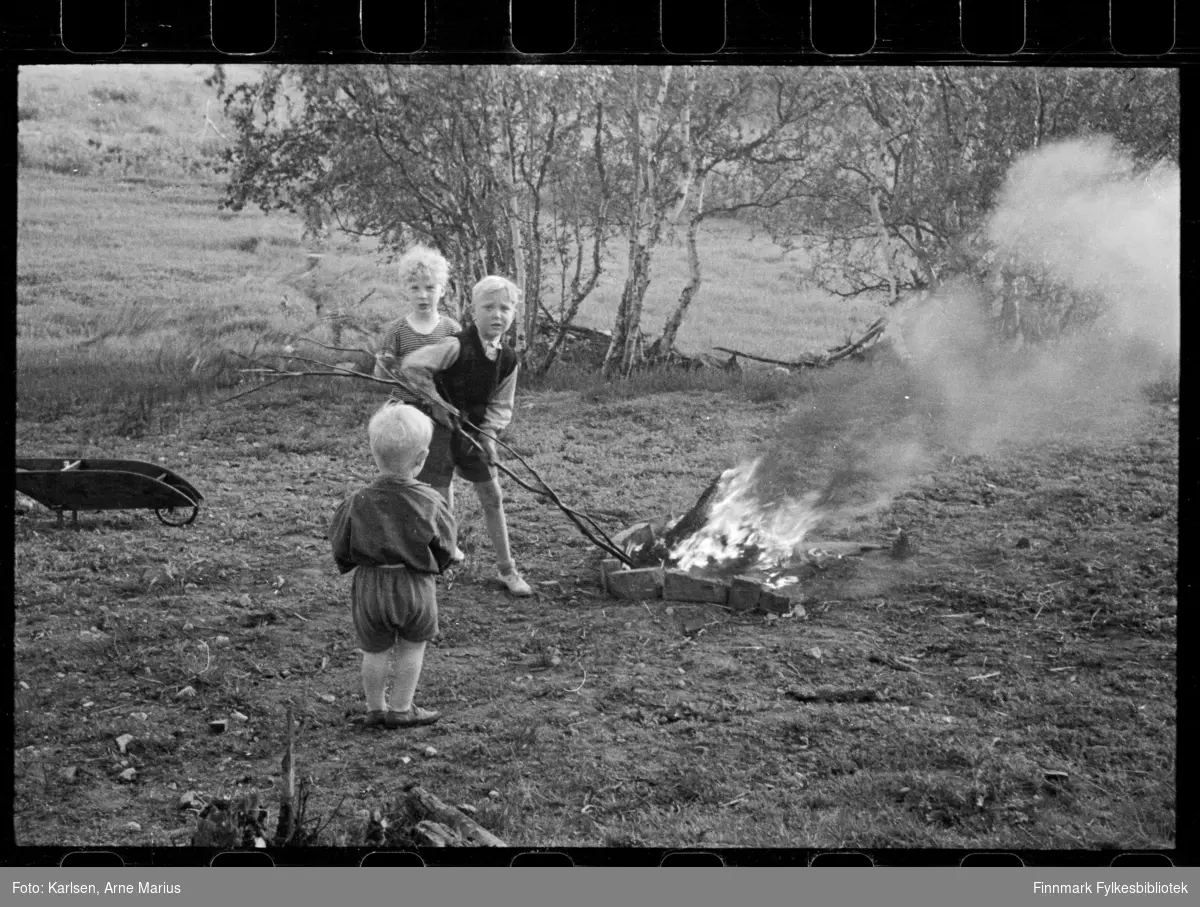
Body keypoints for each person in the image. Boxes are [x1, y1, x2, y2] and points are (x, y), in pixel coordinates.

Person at [400, 275, 533, 597]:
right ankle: (440, 556)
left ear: (514, 314)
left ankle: (507, 569)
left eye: (505, 308)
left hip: (473, 432)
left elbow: (502, 404)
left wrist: (488, 434)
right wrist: (436, 401)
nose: (497, 316)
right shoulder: (455, 345)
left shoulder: (509, 359)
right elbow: (413, 366)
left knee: (493, 496)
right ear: (474, 311)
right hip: (442, 431)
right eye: (488, 307)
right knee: (440, 498)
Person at [329, 402, 457, 729]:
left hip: (371, 585)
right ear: (421, 458)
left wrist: (350, 562)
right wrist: (438, 564)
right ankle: (401, 709)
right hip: (414, 584)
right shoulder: (430, 500)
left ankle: (375, 708)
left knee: (375, 650)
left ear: (374, 452)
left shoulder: (356, 501)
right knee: (413, 647)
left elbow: (340, 544)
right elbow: (446, 543)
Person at [373, 244, 462, 401]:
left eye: (430, 287)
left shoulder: (452, 330)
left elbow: (461, 373)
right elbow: (381, 376)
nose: (422, 295)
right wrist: (382, 364)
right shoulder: (396, 331)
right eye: (415, 288)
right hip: (405, 404)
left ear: (442, 290)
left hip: (441, 405)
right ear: (405, 290)